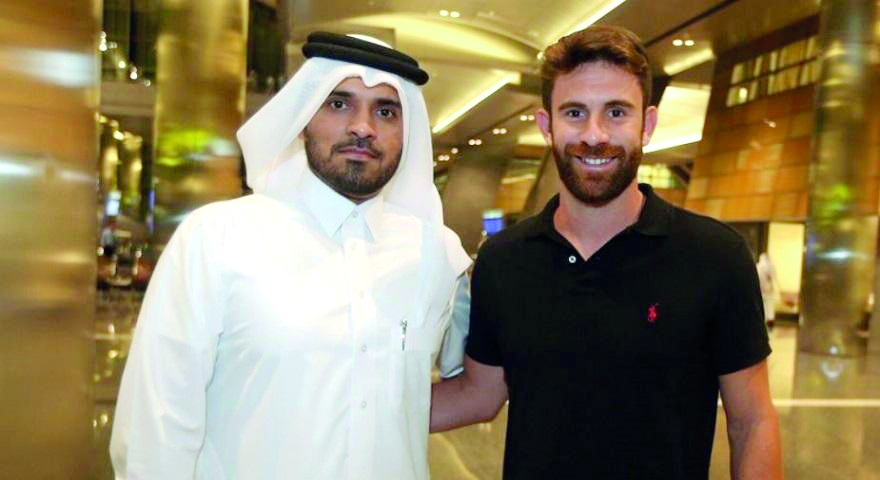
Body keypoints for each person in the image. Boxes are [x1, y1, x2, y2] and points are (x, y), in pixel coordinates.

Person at [110, 32, 471, 480]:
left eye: (386, 111)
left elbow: (477, 383)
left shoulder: (437, 256)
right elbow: (155, 426)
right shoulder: (217, 239)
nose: (363, 126)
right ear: (303, 118)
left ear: (407, 130)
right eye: (339, 104)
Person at [430, 25, 782, 479]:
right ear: (547, 126)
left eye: (616, 112)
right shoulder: (505, 260)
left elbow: (752, 420)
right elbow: (479, 393)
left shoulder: (715, 257)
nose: (594, 135)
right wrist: (343, 407)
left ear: (647, 125)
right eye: (574, 112)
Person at [756, 252, 780, 328]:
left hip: (761, 290)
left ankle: (763, 321)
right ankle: (770, 321)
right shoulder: (771, 266)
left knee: (763, 305)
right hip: (768, 290)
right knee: (769, 305)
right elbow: (774, 278)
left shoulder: (758, 266)